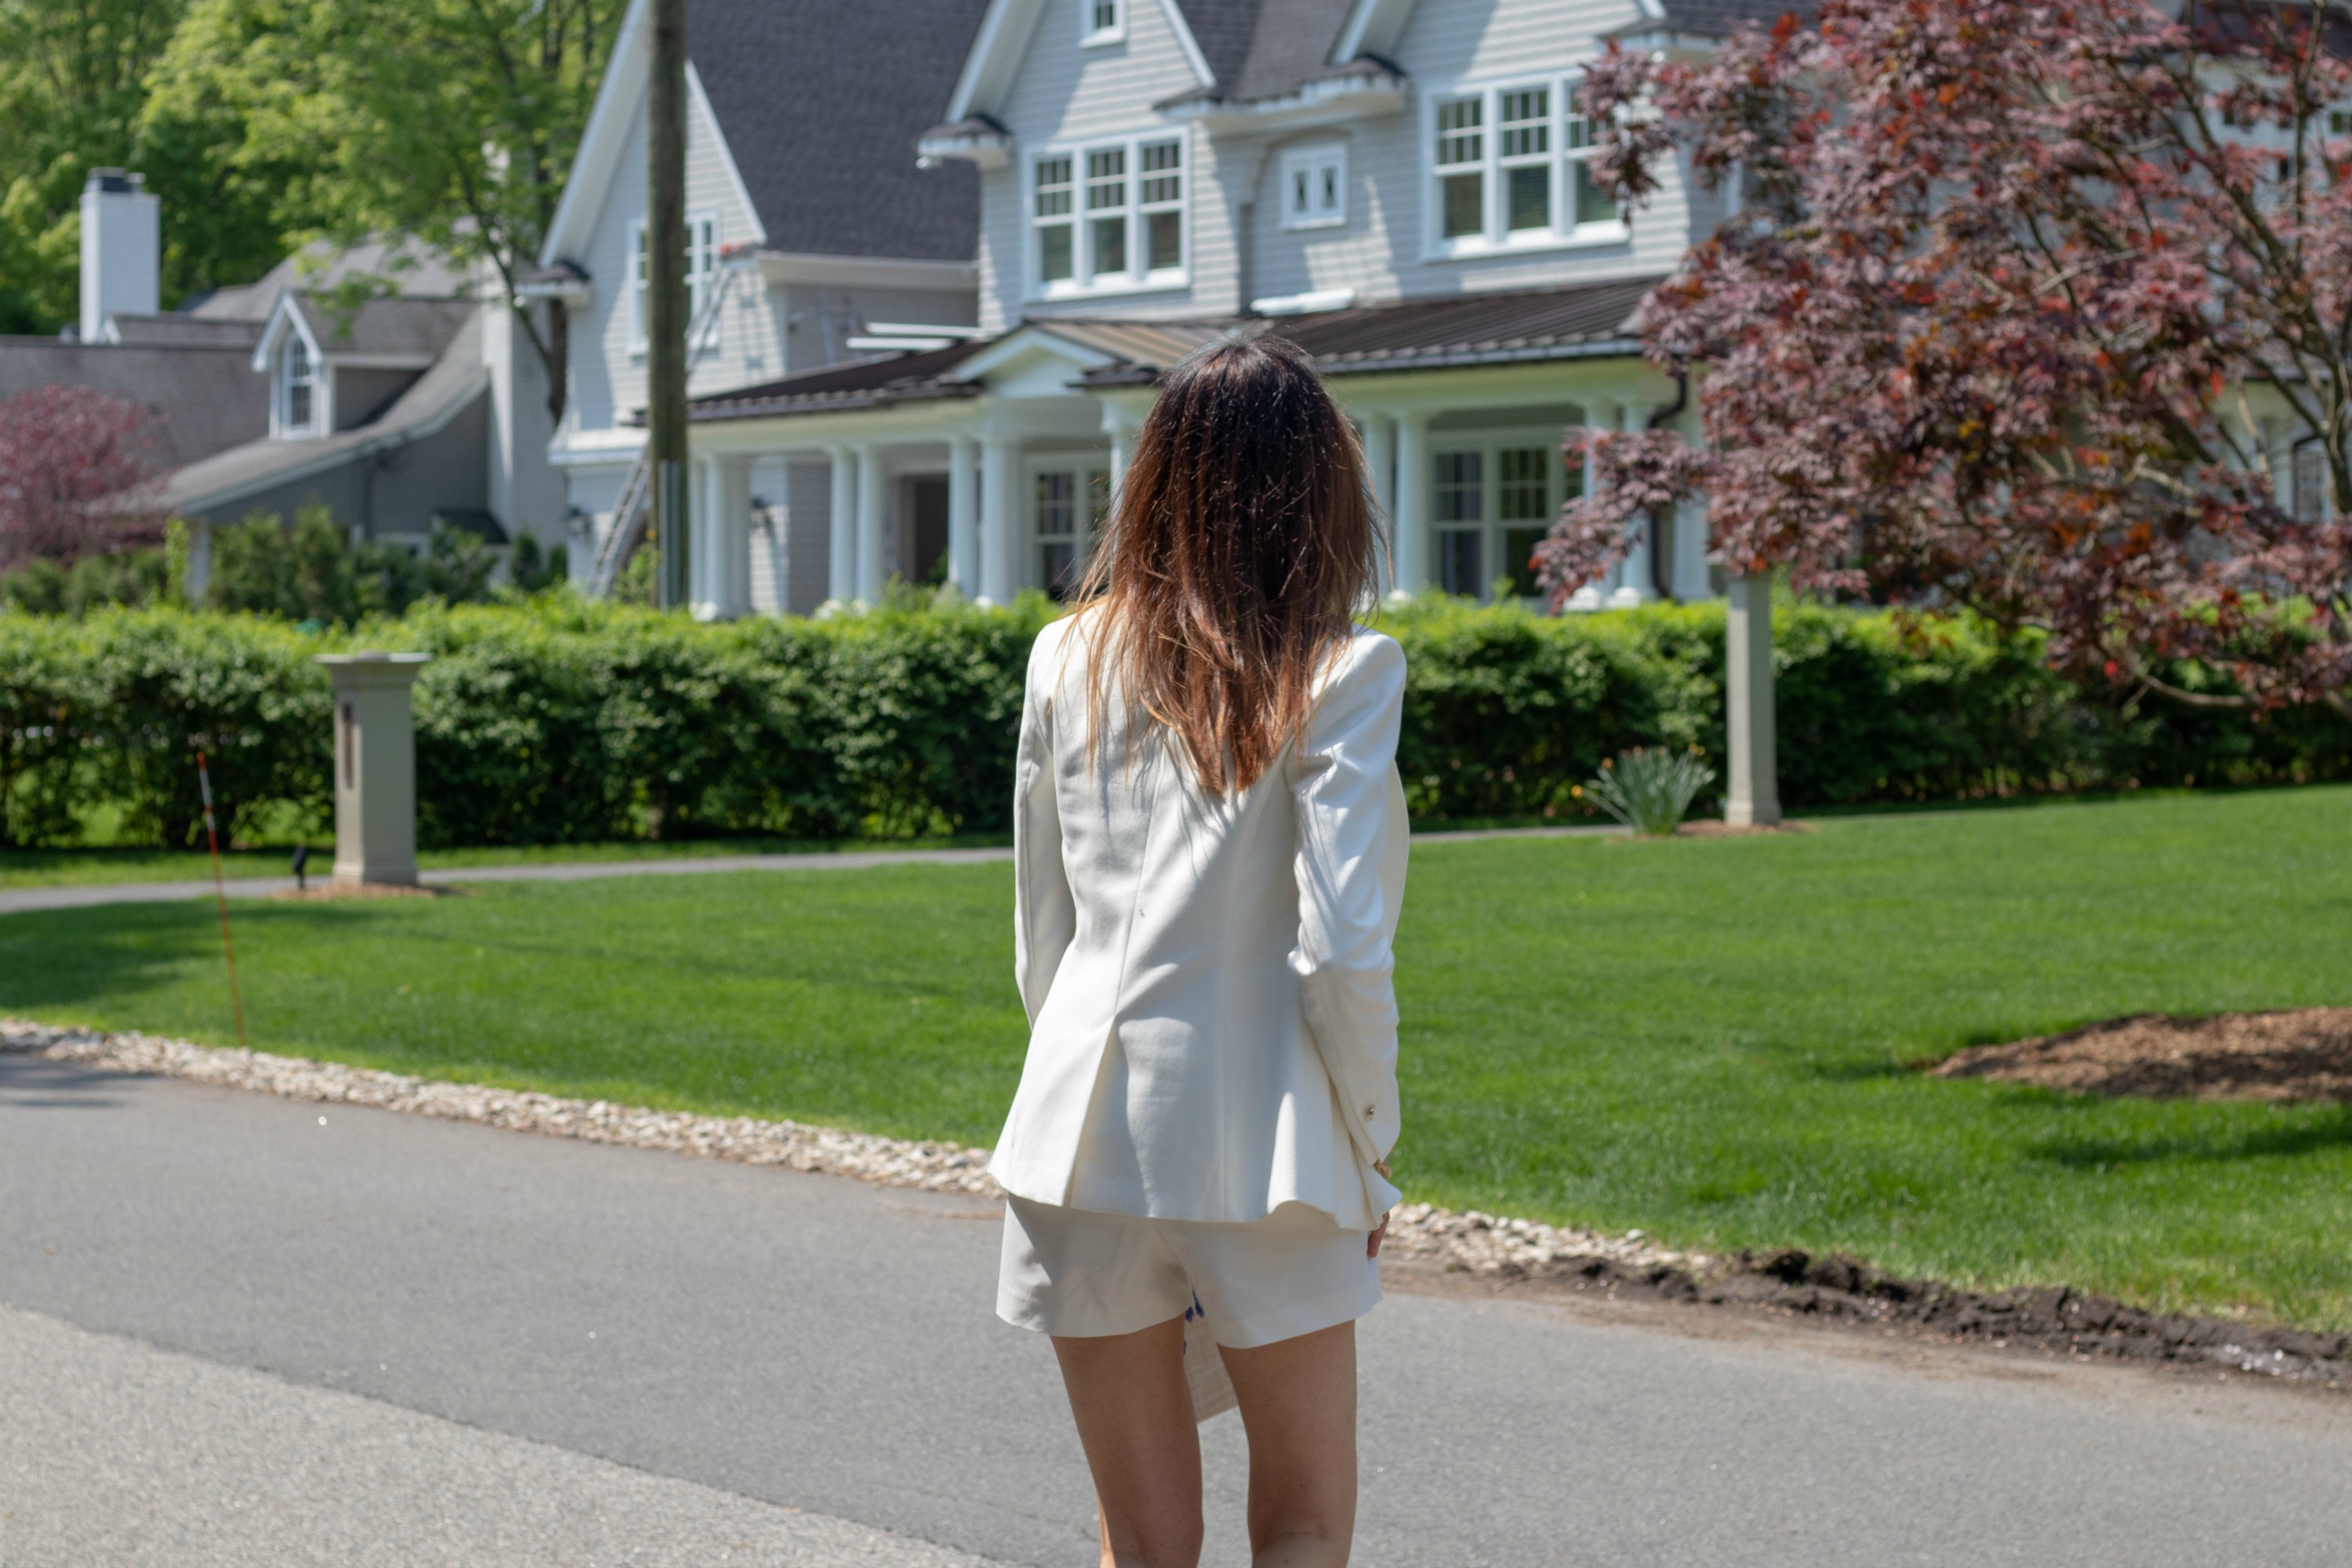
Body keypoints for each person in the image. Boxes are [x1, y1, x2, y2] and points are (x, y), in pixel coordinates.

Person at [992, 333, 1408, 1568]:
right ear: (1324, 485)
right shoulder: (1344, 668)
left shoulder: (1065, 654)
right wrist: (1369, 1143)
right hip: (1268, 1147)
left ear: (1156, 480)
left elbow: (1043, 933)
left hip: (1076, 1138)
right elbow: (1340, 950)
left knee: (1142, 1546)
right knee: (1301, 1522)